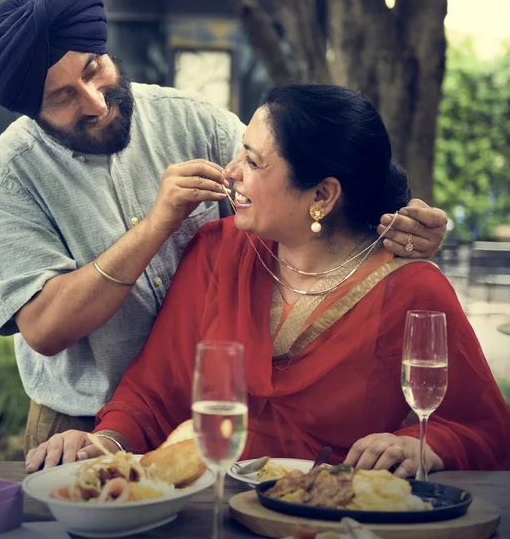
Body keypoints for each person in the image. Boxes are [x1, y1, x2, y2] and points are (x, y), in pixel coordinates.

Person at [0, 0, 448, 453]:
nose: (94, 101)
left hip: (202, 423)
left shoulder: (189, 118)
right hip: (83, 425)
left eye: (93, 70)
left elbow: (307, 161)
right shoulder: (7, 174)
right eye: (63, 97)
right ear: (32, 111)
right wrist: (158, 225)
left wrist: (399, 216)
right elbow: (44, 328)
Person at [25, 84, 510, 476]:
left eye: (253, 162)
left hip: (331, 521)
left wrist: (421, 447)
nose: (231, 172)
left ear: (322, 195)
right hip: (209, 510)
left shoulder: (412, 288)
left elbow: (485, 427)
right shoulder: (220, 251)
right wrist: (101, 442)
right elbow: (153, 392)